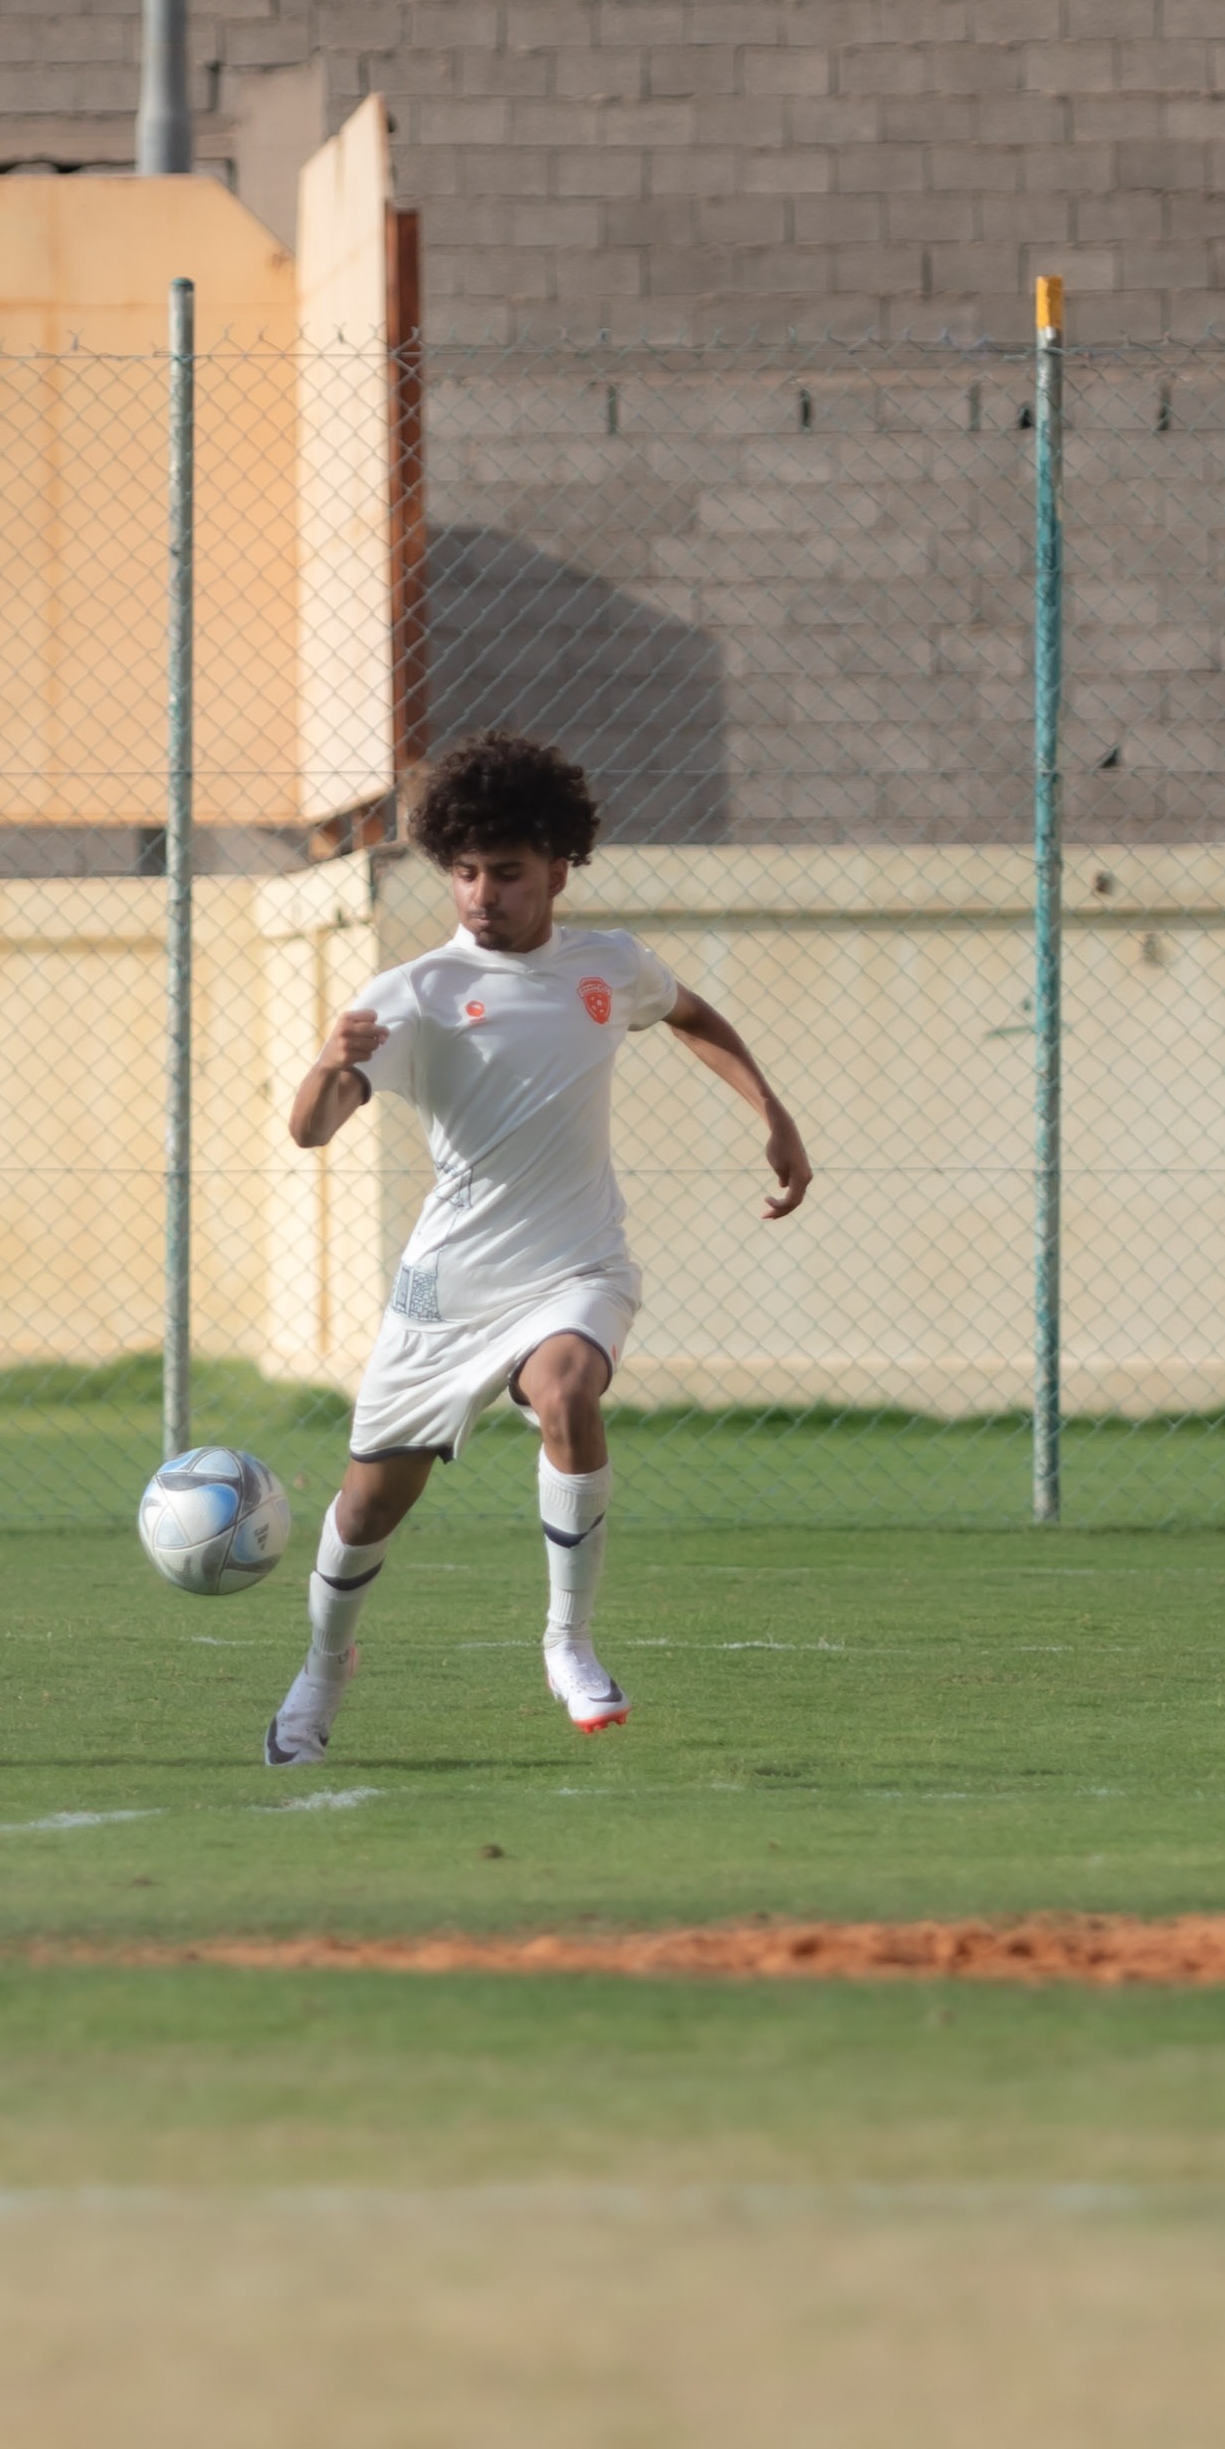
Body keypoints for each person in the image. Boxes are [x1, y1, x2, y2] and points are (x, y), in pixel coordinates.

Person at [266, 732, 810, 1767]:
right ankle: (321, 1667)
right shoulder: (413, 992)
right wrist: (329, 1066)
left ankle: (567, 1642)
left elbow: (691, 1016)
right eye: (464, 873)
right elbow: (311, 1128)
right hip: (449, 1290)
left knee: (566, 1391)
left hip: (575, 1267)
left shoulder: (607, 966)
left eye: (505, 873)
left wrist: (770, 1113)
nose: (480, 895)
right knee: (367, 1506)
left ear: (558, 867)